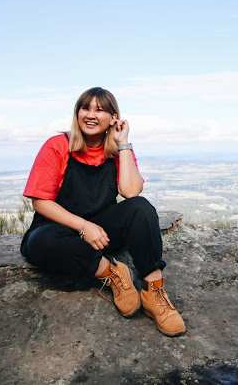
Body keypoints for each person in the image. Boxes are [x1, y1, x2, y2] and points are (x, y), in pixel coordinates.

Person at [19, 87, 185, 337]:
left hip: (101, 229)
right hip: (59, 228)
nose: (90, 114)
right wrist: (84, 227)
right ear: (77, 114)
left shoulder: (117, 149)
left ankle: (153, 291)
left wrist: (123, 144)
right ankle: (112, 271)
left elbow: (131, 192)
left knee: (140, 209)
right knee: (42, 243)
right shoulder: (57, 146)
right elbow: (41, 202)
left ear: (113, 118)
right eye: (85, 108)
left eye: (100, 109)